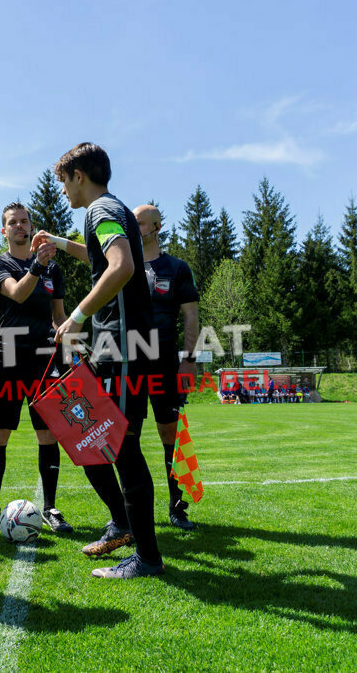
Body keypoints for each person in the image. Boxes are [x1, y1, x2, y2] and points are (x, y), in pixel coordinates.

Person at [34, 142, 163, 579]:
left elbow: (121, 266)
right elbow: (100, 258)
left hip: (124, 345)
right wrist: (56, 242)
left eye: (64, 181)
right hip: (123, 344)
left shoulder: (99, 210)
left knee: (122, 448)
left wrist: (74, 317)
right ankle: (125, 527)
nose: (63, 191)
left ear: (79, 176)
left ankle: (145, 557)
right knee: (101, 440)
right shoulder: (112, 210)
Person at [0, 201, 72, 536]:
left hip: (45, 359)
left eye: (25, 221)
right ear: (4, 230)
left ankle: (51, 508)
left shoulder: (53, 270)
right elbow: (16, 295)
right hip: (9, 357)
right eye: (13, 222)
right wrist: (35, 266)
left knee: (48, 434)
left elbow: (58, 317)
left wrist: (70, 347)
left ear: (31, 227)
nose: (20, 226)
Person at [134, 205, 200, 531]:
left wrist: (189, 360)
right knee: (124, 436)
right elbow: (88, 254)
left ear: (156, 227)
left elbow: (191, 316)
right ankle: (128, 513)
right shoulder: (122, 266)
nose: (134, 227)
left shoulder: (177, 268)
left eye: (140, 222)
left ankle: (177, 507)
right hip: (128, 362)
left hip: (164, 361)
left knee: (168, 435)